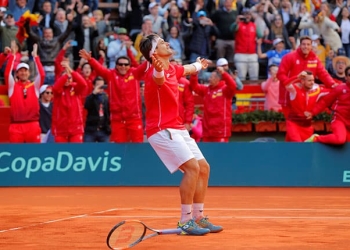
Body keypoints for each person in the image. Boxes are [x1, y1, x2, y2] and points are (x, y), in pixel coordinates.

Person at [139, 34, 223, 235]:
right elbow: (158, 77)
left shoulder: (173, 69)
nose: (166, 43)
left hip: (177, 127)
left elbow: (187, 69)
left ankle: (198, 217)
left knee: (203, 167)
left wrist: (199, 65)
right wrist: (158, 68)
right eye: (160, 43)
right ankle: (185, 222)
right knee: (192, 168)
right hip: (161, 130)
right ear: (154, 53)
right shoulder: (154, 72)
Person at [79, 45, 145, 143]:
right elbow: (100, 69)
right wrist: (90, 59)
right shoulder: (111, 75)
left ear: (129, 66)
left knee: (138, 146)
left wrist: (154, 54)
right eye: (120, 64)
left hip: (134, 118)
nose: (123, 66)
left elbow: (145, 65)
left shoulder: (135, 73)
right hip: (117, 120)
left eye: (126, 64)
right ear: (116, 65)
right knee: (119, 149)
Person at [277, 36, 336, 118]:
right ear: (299, 45)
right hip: (288, 96)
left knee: (305, 122)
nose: (306, 47)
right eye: (303, 44)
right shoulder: (289, 57)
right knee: (291, 122)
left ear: (311, 46)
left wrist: (332, 84)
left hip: (306, 97)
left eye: (308, 44)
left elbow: (323, 73)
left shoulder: (314, 58)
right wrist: (290, 86)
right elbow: (280, 74)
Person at [5, 42, 45, 143]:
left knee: (34, 154)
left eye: (25, 70)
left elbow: (42, 75)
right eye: (21, 71)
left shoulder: (34, 86)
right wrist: (13, 56)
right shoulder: (12, 87)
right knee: (16, 154)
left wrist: (35, 57)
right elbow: (6, 74)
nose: (23, 73)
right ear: (17, 73)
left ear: (29, 73)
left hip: (33, 125)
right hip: (16, 126)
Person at [190, 66, 237, 142]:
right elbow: (194, 87)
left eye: (211, 77)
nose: (209, 79)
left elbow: (233, 86)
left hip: (220, 131)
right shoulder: (206, 90)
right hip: (207, 131)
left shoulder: (225, 90)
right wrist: (194, 75)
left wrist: (223, 73)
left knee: (221, 153)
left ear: (218, 79)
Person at [304, 66, 350, 144]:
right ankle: (316, 138)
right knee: (340, 139)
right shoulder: (340, 88)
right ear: (346, 77)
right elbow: (325, 101)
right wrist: (312, 112)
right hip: (339, 120)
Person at [284, 70, 326, 142]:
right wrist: (297, 77)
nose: (312, 82)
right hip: (293, 124)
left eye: (313, 80)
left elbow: (333, 91)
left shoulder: (317, 89)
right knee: (298, 147)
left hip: (307, 127)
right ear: (302, 81)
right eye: (309, 80)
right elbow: (286, 84)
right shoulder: (294, 89)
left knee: (298, 149)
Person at [51, 60, 87, 143]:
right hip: (61, 129)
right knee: (60, 153)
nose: (67, 80)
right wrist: (66, 75)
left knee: (77, 153)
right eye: (65, 78)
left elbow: (83, 84)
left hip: (76, 129)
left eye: (69, 78)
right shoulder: (58, 91)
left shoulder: (75, 88)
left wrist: (70, 70)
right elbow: (55, 88)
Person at [84, 77, 111, 142]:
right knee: (89, 150)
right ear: (94, 86)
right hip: (91, 130)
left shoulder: (106, 97)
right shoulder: (90, 97)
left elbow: (108, 112)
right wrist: (94, 93)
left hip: (104, 130)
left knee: (105, 150)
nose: (101, 87)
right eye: (98, 85)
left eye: (102, 85)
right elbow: (87, 105)